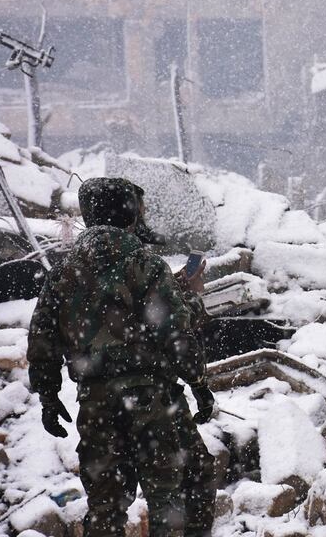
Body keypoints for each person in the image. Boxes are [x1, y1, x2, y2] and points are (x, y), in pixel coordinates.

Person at [28, 177, 216, 536]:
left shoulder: (63, 273)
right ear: (130, 215)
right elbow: (174, 333)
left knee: (105, 508)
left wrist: (48, 396)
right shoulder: (145, 265)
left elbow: (42, 341)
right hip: (151, 402)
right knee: (172, 498)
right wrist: (199, 382)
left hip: (96, 405)